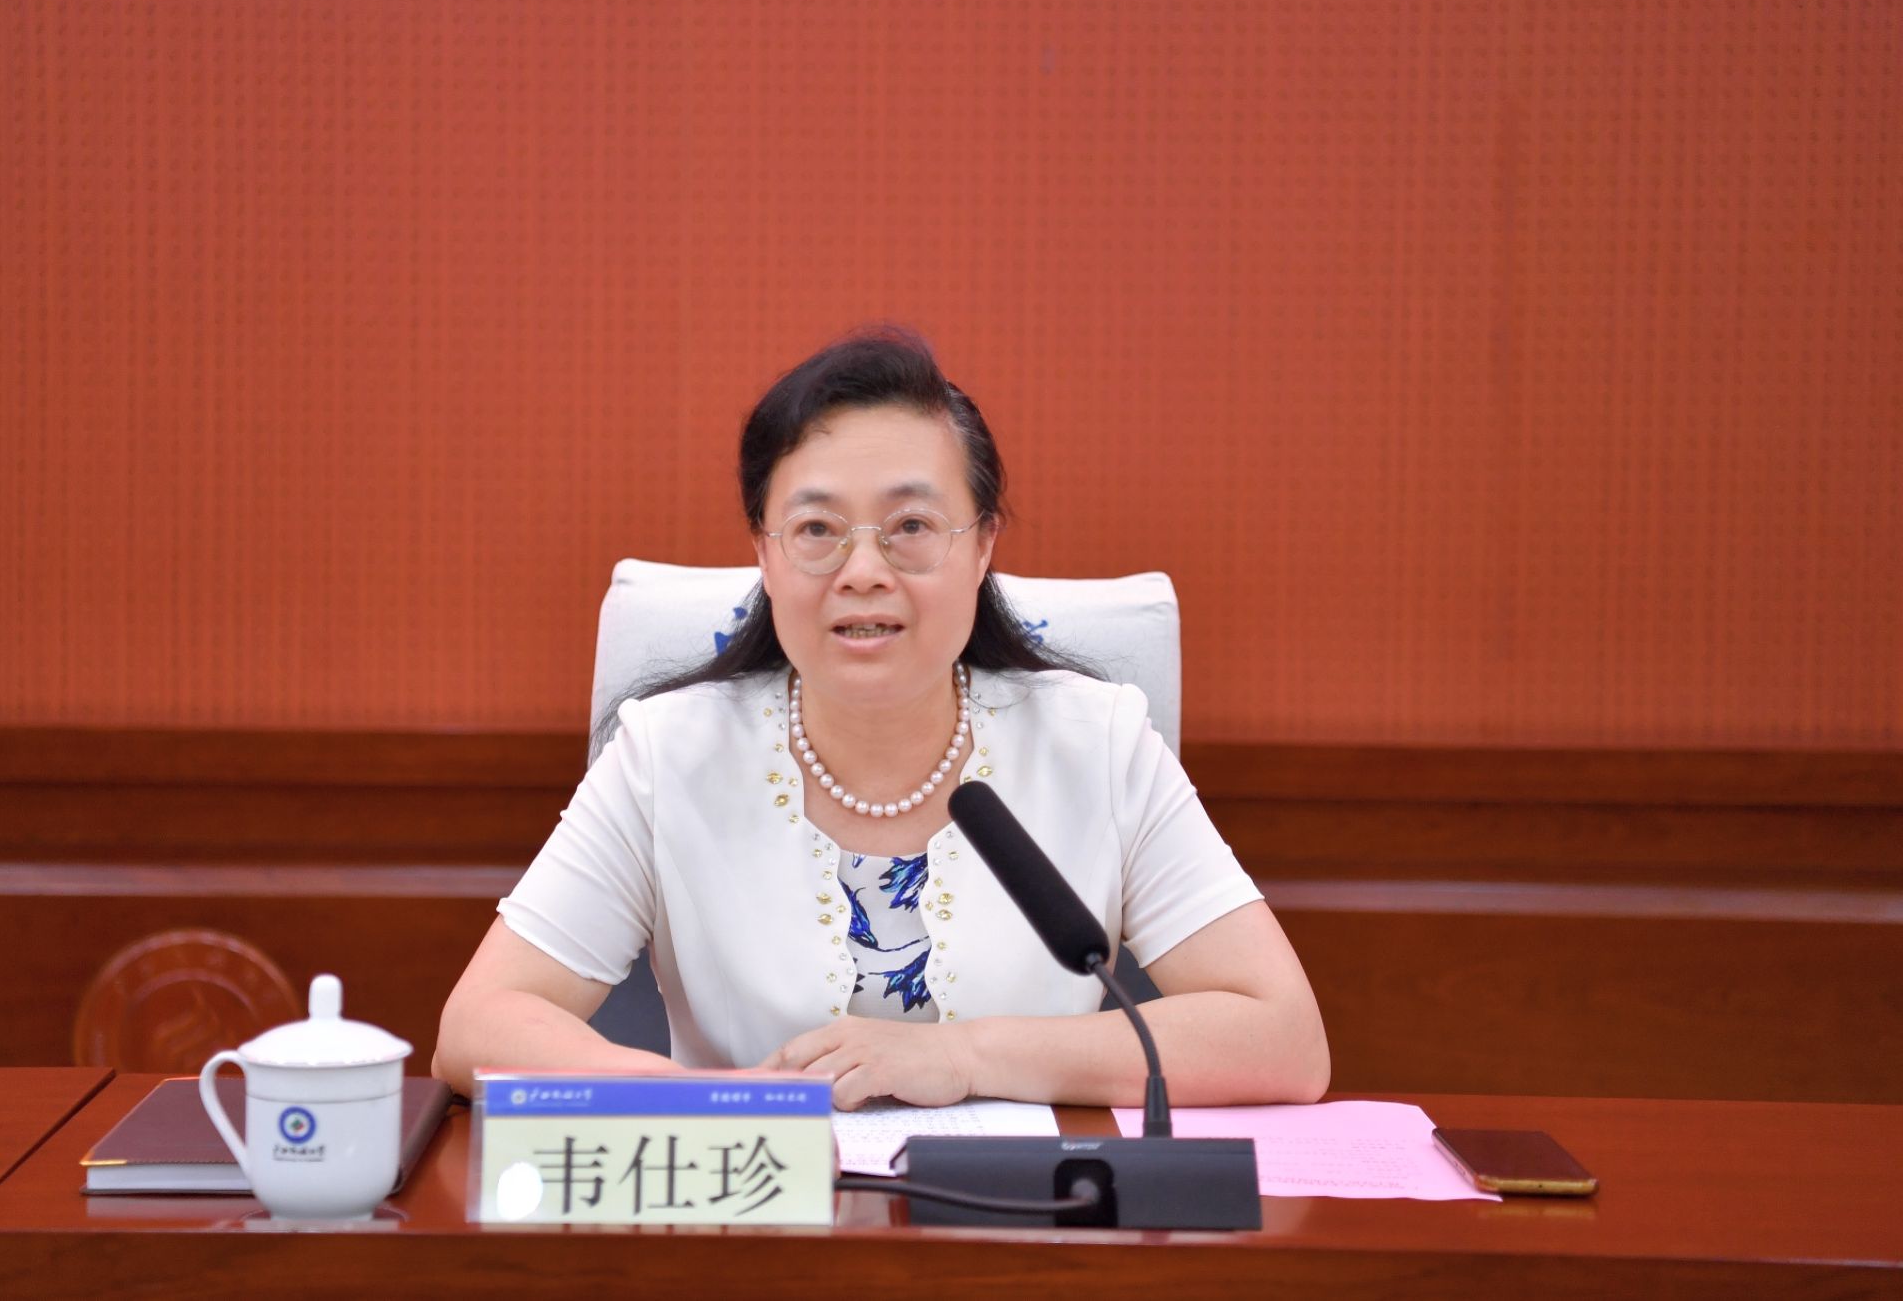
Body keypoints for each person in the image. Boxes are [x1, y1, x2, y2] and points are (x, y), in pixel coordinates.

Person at [433, 328, 1329, 1110]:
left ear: (982, 546)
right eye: (817, 530)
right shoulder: (667, 755)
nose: (863, 572)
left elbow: (1281, 1036)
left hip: (1028, 1220)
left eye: (910, 526)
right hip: (756, 1215)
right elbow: (480, 1024)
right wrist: (714, 1104)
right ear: (764, 556)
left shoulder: (1099, 744)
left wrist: (966, 1058)